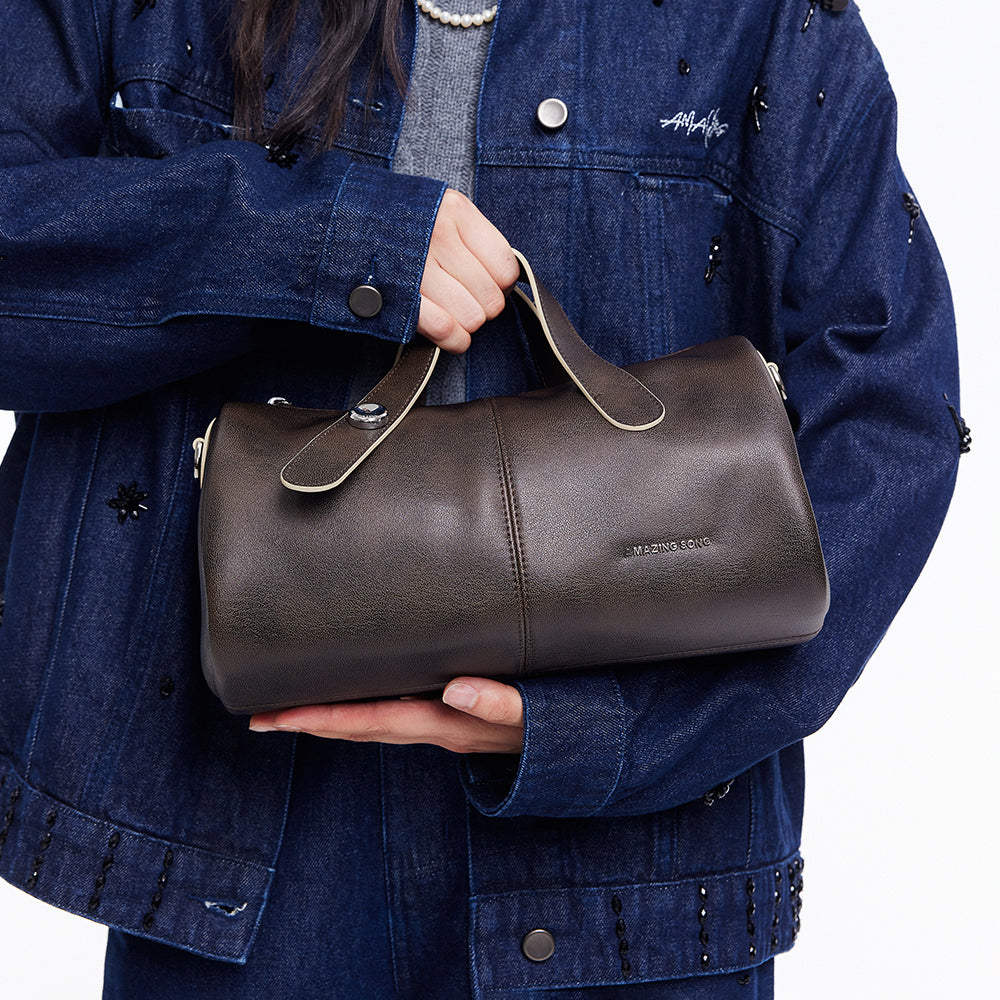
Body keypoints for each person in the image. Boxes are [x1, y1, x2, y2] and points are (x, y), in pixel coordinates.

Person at [0, 0, 964, 997]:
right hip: (240, 836)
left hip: (638, 884)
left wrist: (615, 727)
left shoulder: (755, 17)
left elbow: (893, 408)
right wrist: (318, 239)